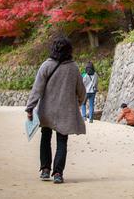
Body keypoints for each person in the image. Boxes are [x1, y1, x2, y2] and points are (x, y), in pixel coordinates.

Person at [25, 37, 86, 184]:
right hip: (66, 110)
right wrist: (77, 103)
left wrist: (30, 107)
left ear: (53, 49)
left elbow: (37, 89)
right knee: (62, 141)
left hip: (47, 109)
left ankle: (45, 169)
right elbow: (81, 91)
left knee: (45, 137)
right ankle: (58, 173)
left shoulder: (46, 65)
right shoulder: (73, 68)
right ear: (69, 50)